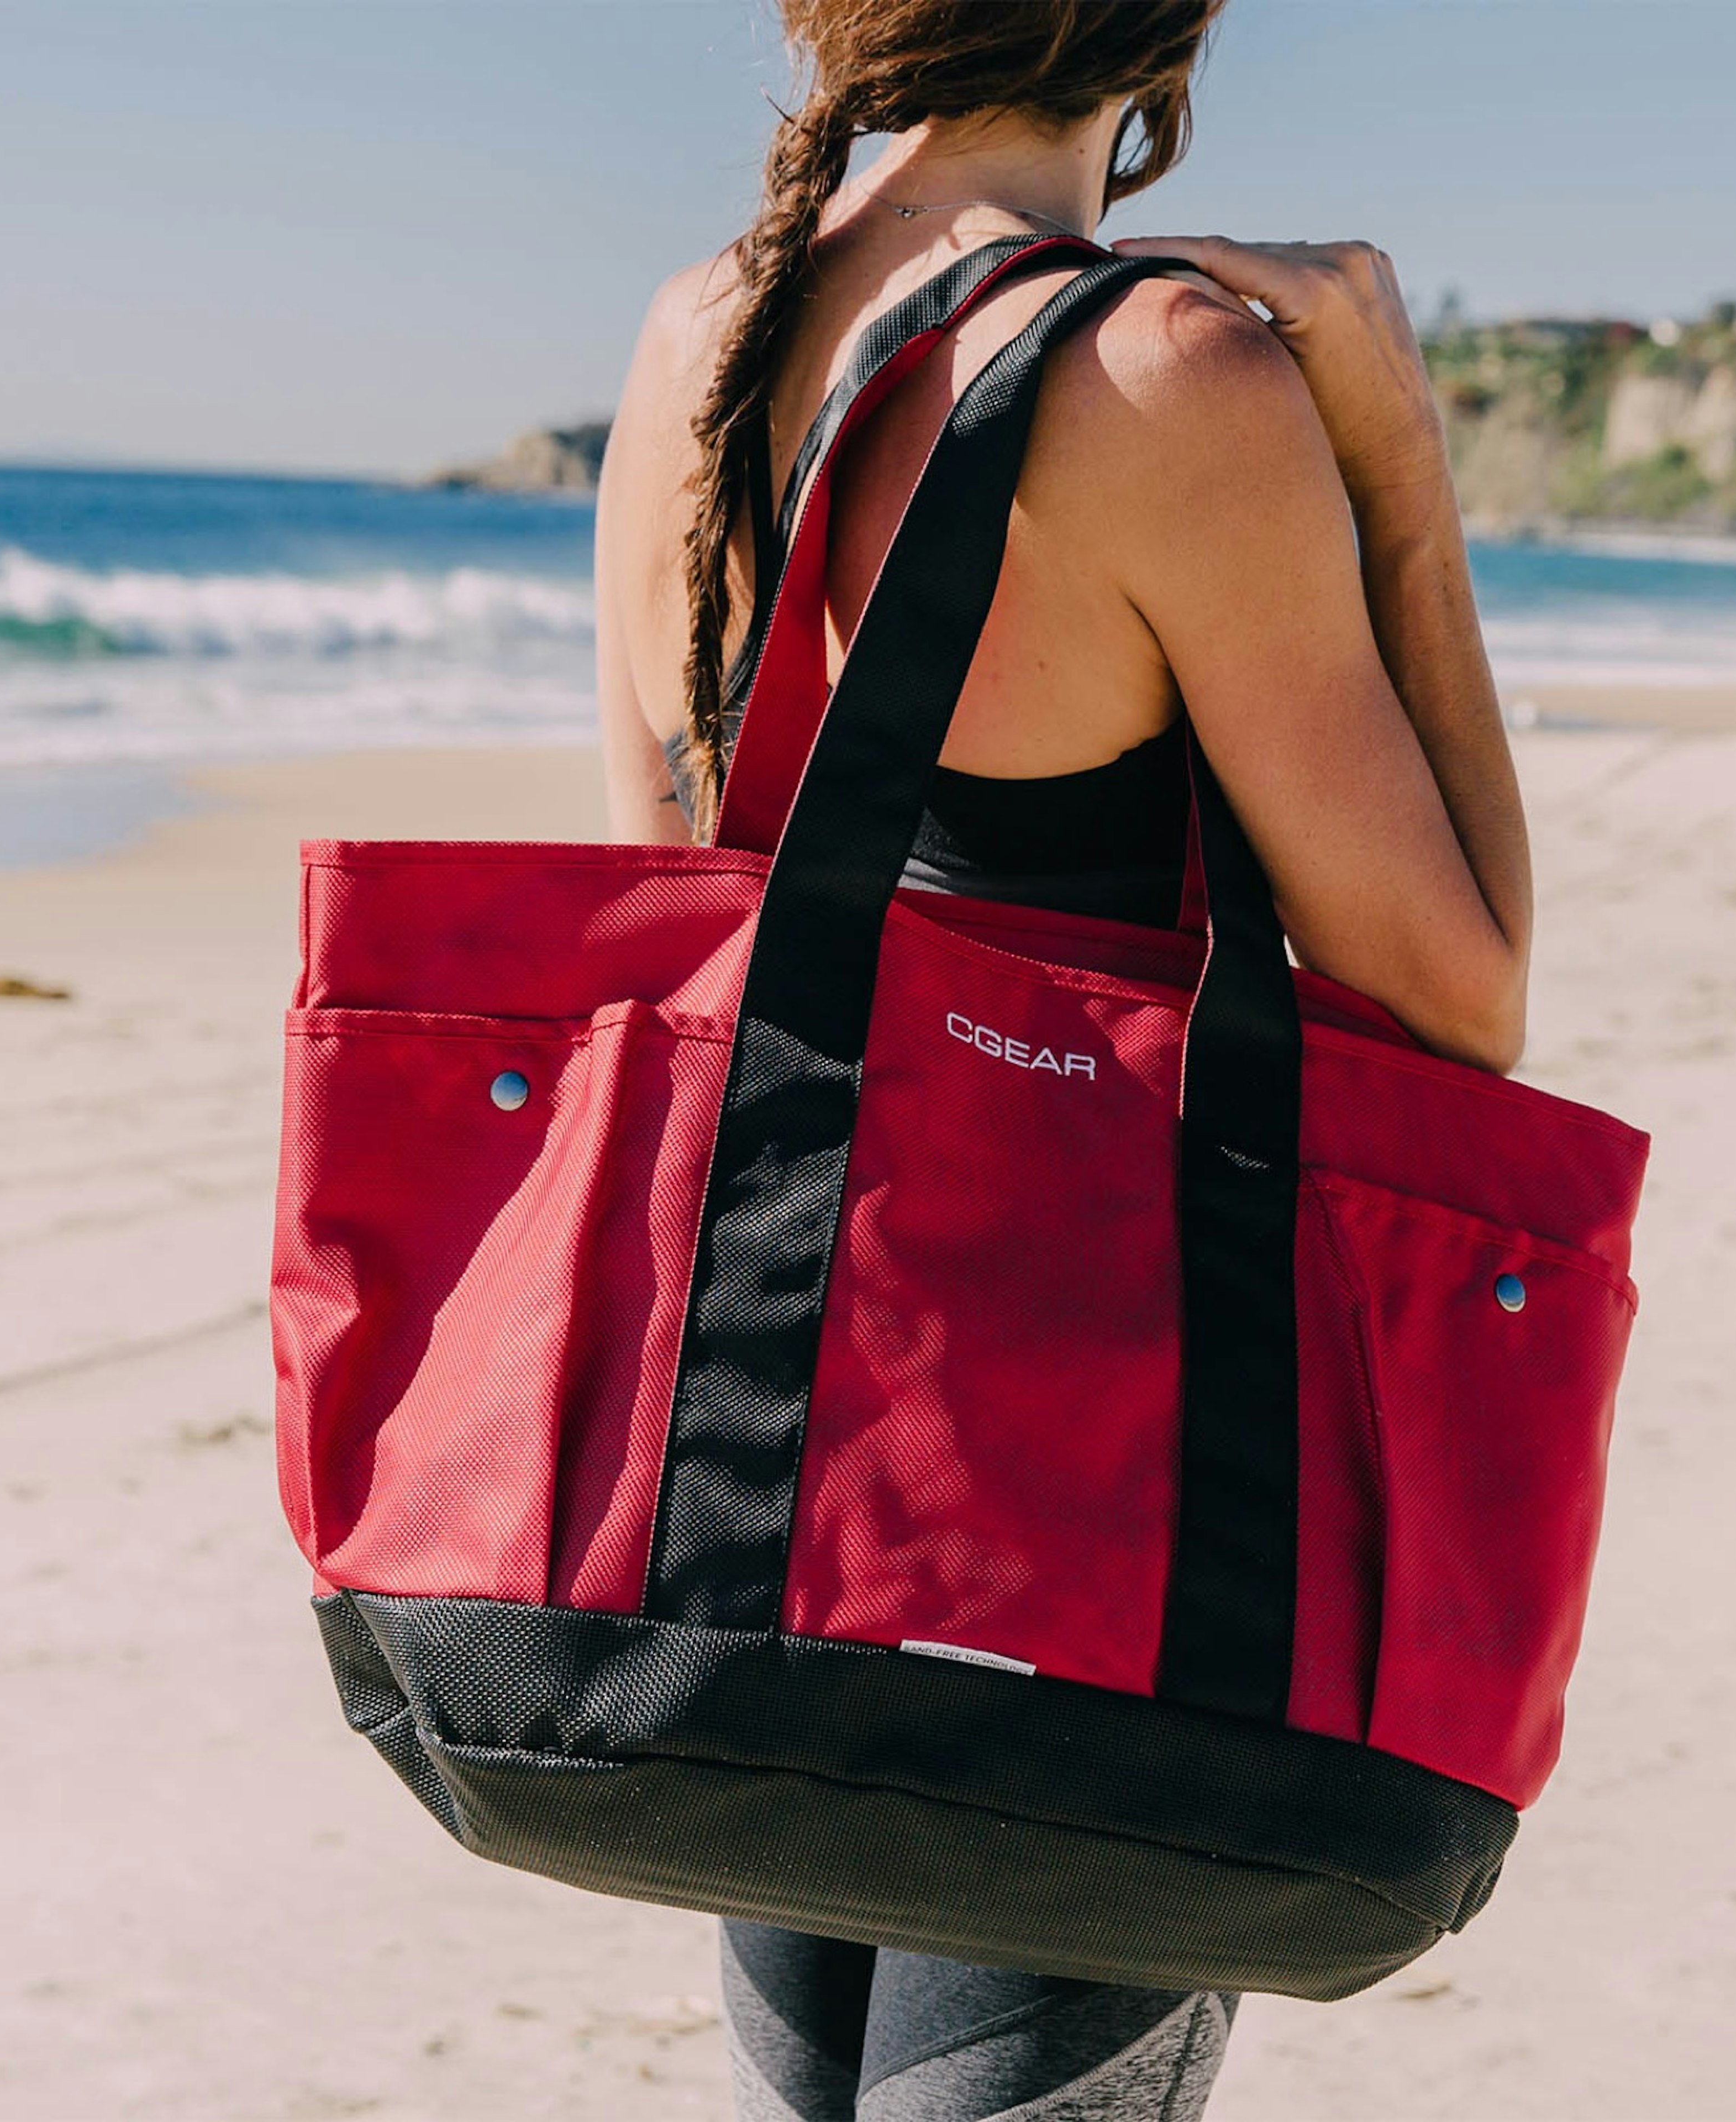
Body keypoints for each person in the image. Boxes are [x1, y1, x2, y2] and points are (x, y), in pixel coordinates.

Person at [591, 5, 1533, 2114]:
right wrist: (1397, 473)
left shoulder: (695, 344)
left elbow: (690, 923)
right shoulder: (1165, 375)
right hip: (1092, 1510)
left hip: (767, 1470)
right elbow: (1461, 993)